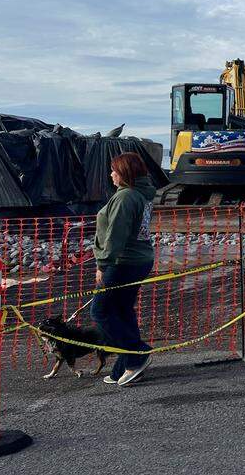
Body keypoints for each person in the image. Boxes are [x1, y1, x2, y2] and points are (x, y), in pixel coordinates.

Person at [90, 152, 157, 386]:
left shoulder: (126, 197)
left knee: (100, 312)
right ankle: (123, 368)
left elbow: (116, 235)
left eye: (114, 170)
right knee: (121, 310)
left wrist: (102, 264)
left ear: (124, 173)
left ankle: (136, 355)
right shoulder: (142, 194)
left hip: (123, 262)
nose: (111, 175)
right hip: (140, 258)